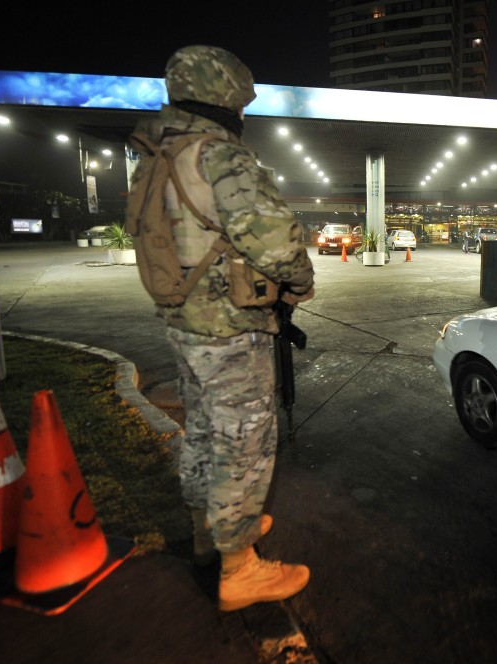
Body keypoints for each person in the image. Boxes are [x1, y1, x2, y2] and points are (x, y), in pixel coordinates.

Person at [129, 46, 315, 612]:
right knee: (246, 441)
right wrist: (300, 282)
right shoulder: (219, 156)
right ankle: (240, 568)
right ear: (227, 97)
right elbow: (278, 243)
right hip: (230, 329)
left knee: (206, 432)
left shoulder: (156, 155)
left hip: (183, 322)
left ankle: (208, 532)